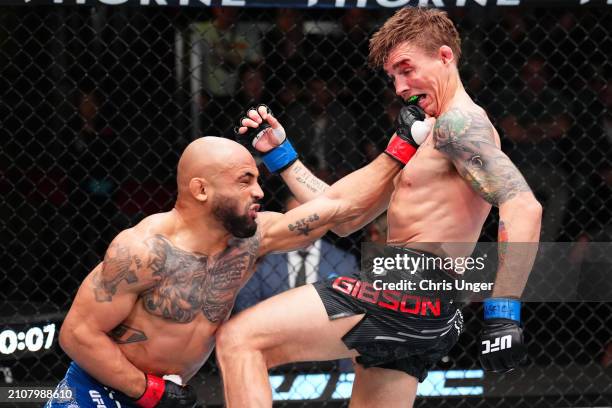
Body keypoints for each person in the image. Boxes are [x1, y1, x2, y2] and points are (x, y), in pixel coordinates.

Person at [217, 7, 542, 407]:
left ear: (445, 57)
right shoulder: (428, 134)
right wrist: (282, 157)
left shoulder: (460, 126)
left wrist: (504, 311)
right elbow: (343, 213)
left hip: (409, 283)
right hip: (419, 301)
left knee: (240, 339)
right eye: (393, 76)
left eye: (407, 70)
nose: (400, 87)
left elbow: (523, 205)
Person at [45, 135, 404, 407]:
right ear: (201, 189)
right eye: (244, 181)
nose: (259, 191)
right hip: (97, 391)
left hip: (167, 393)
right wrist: (147, 390)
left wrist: (398, 151)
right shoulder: (143, 250)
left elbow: (337, 211)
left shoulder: (251, 240)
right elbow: (77, 334)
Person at [234, 194, 358, 312]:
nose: (304, 225)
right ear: (285, 219)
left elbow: (350, 309)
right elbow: (244, 302)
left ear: (322, 218)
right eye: (296, 220)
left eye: (309, 218)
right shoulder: (263, 257)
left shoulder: (345, 262)